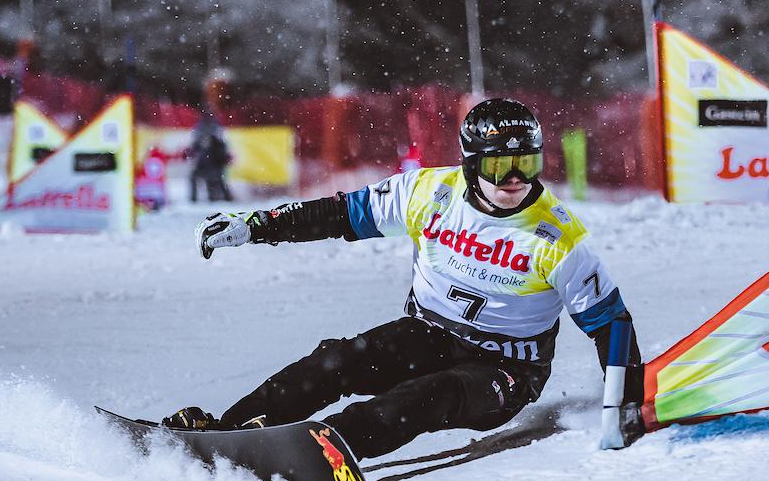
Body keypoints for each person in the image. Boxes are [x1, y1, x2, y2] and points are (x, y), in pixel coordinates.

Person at [169, 98, 645, 459]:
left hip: (507, 369)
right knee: (336, 360)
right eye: (501, 164)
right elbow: (340, 215)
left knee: (424, 397)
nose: (516, 179)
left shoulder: (558, 236)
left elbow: (612, 323)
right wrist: (256, 227)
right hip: (428, 333)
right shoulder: (428, 191)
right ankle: (225, 432)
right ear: (472, 162)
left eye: (528, 163)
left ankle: (325, 451)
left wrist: (623, 407)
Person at [187, 112, 233, 202]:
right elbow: (193, 149)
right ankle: (194, 200)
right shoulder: (201, 138)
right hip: (204, 166)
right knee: (197, 178)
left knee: (217, 181)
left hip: (215, 166)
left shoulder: (217, 142)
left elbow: (222, 154)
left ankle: (225, 198)